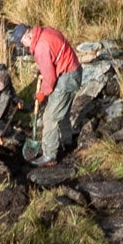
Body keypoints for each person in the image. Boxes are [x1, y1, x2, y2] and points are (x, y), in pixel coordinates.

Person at [11, 21, 84, 166]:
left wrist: (42, 94)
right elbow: (53, 58)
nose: (23, 46)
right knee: (61, 112)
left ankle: (49, 155)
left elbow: (50, 80)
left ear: (27, 36)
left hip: (67, 77)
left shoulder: (40, 47)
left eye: (22, 43)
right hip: (74, 70)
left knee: (50, 117)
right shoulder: (45, 31)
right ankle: (66, 140)